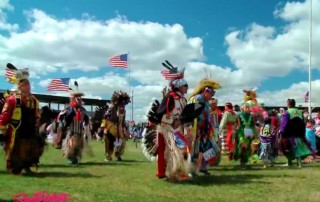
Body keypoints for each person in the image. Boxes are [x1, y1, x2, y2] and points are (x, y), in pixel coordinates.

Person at [0, 63, 45, 174]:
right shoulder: (13, 99)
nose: (28, 87)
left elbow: (36, 114)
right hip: (17, 128)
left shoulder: (34, 100)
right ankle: (15, 167)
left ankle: (27, 166)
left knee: (31, 148)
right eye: (25, 85)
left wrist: (37, 122)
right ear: (20, 86)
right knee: (16, 149)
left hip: (29, 128)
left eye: (29, 85)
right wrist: (3, 127)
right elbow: (5, 113)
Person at [154, 61, 191, 181]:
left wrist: (182, 122)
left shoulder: (183, 100)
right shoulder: (170, 97)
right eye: (185, 86)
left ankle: (177, 172)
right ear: (179, 85)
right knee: (173, 150)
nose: (187, 88)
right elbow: (160, 114)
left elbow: (184, 114)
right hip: (167, 128)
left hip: (177, 128)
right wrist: (172, 122)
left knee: (181, 149)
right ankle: (172, 173)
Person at [188, 78, 221, 176]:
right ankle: (191, 170)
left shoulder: (206, 102)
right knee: (195, 150)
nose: (212, 96)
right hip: (196, 129)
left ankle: (203, 167)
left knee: (207, 149)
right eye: (211, 93)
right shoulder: (197, 99)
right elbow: (192, 114)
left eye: (213, 93)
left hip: (205, 129)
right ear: (206, 91)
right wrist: (197, 125)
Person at [57, 81, 90, 164]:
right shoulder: (69, 109)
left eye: (80, 99)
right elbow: (64, 119)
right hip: (71, 132)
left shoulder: (83, 110)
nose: (80, 101)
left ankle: (75, 157)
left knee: (79, 147)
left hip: (80, 132)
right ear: (74, 100)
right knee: (71, 145)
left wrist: (86, 127)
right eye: (78, 100)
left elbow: (86, 120)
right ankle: (70, 157)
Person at [280, 99, 312, 167]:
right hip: (299, 133)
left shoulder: (287, 112)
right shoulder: (300, 112)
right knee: (298, 147)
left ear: (288, 104)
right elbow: (303, 123)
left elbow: (284, 124)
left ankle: (290, 162)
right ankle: (297, 163)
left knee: (288, 148)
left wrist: (282, 132)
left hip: (290, 134)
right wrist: (303, 133)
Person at [233, 103, 258, 167]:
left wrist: (255, 133)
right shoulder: (239, 116)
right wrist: (235, 132)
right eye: (246, 107)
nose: (247, 108)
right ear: (242, 108)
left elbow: (253, 125)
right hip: (241, 133)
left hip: (249, 132)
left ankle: (244, 161)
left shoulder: (251, 116)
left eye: (248, 107)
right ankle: (241, 160)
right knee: (242, 145)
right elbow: (236, 125)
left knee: (248, 147)